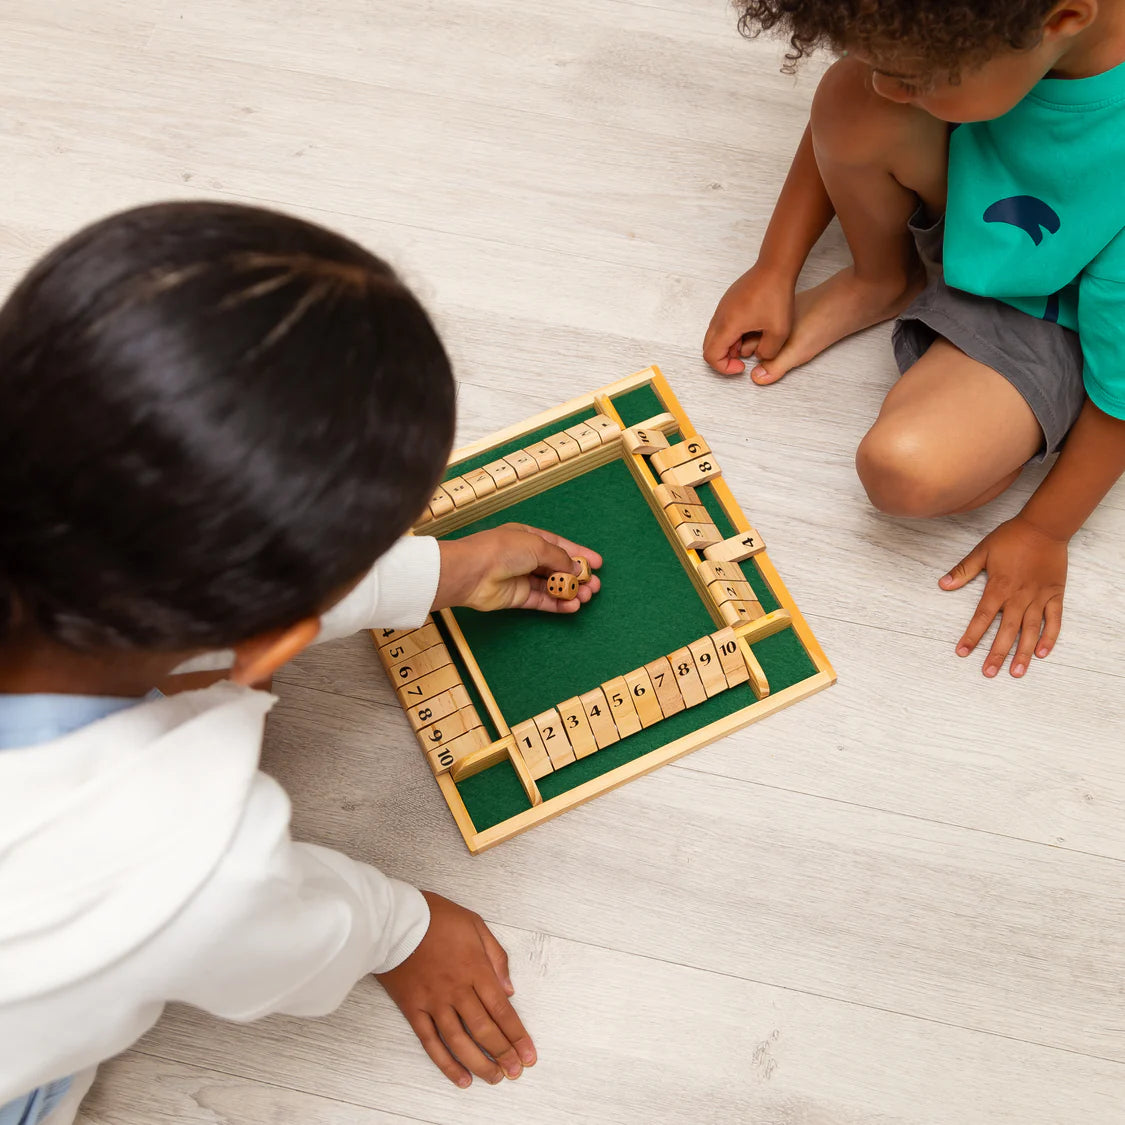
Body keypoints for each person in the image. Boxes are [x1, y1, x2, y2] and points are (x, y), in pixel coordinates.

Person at [0, 201, 602, 1123]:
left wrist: (435, 572)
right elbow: (284, 935)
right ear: (275, 640)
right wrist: (401, 927)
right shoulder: (194, 863)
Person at [703, 0, 1125, 678]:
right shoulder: (992, 32)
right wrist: (773, 267)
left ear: (1061, 19)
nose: (886, 86)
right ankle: (881, 278)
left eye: (916, 78)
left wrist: (1045, 527)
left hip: (1058, 309)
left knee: (906, 471)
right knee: (854, 95)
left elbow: (1122, 390)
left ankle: (1004, 391)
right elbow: (860, 90)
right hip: (988, 202)